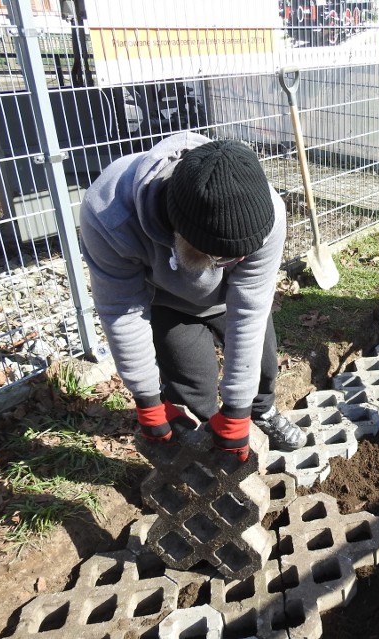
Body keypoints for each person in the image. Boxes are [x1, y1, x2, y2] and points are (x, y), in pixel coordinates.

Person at [80, 132, 307, 461]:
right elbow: (121, 310)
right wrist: (147, 401)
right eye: (225, 259)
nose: (237, 265)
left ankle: (262, 414)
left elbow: (250, 310)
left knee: (262, 365)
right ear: (180, 238)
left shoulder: (264, 211)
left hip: (232, 301)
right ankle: (202, 439)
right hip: (168, 303)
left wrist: (237, 411)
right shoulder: (109, 214)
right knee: (193, 390)